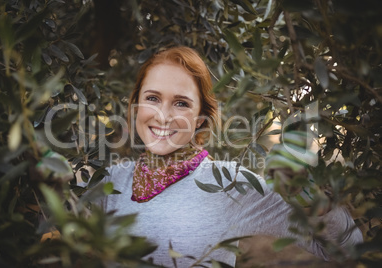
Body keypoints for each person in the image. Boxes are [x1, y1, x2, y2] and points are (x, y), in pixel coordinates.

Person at [99, 46, 363, 267]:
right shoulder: (112, 181)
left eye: (181, 103)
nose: (163, 116)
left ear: (201, 117)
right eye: (153, 98)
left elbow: (347, 249)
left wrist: (314, 200)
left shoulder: (229, 184)